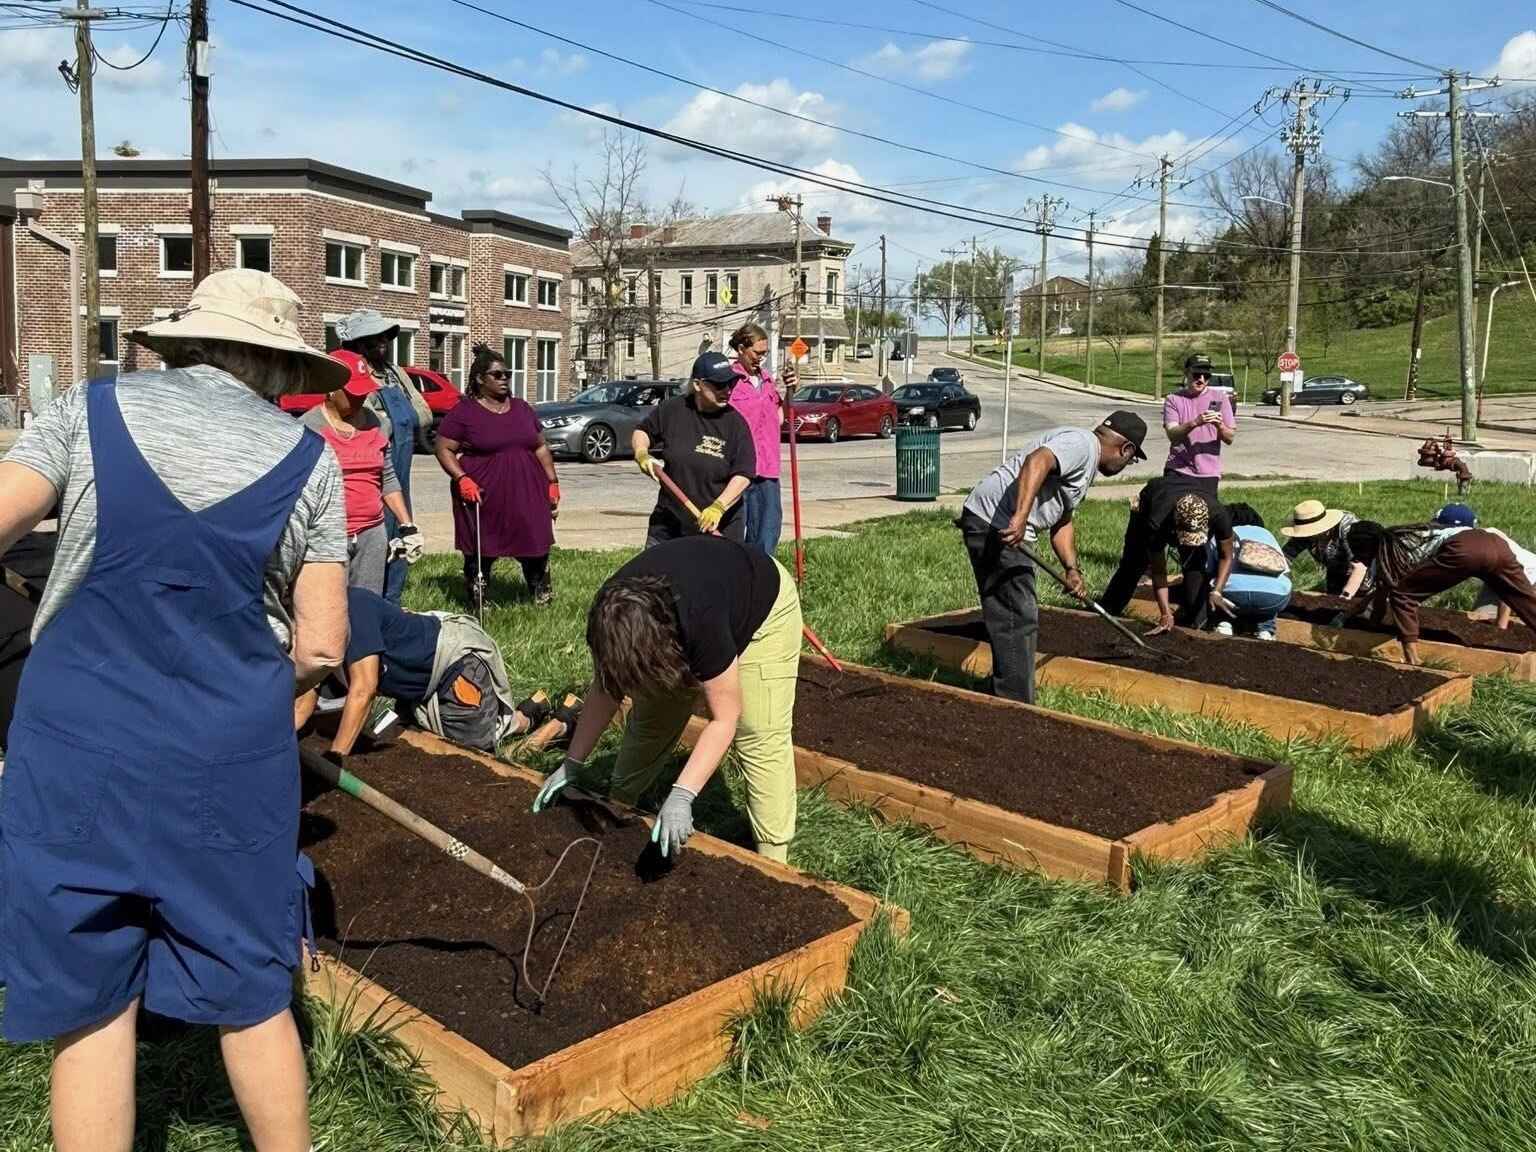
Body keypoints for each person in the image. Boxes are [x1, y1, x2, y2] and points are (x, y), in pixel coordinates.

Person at [0, 268, 349, 1152]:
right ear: (278, 367)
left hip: (76, 750)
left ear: (184, 343)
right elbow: (321, 647)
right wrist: (278, 706)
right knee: (251, 991)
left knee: (90, 1007)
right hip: (225, 761)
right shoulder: (310, 463)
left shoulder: (85, 414)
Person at [530, 534, 802, 862]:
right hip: (691, 600)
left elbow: (725, 718)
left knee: (759, 730)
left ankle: (775, 855)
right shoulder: (609, 617)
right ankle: (620, 803)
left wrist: (682, 795)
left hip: (762, 605)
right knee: (654, 711)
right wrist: (572, 764)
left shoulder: (700, 620)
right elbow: (606, 688)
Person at [957, 412, 1148, 703]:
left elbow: (1062, 521)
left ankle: (1005, 689)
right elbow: (1038, 460)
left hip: (995, 521)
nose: (1125, 466)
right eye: (1130, 461)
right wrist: (1019, 517)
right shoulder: (1082, 445)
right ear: (1126, 449)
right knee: (1017, 613)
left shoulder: (1085, 462)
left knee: (1011, 610)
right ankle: (1014, 702)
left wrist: (1072, 569)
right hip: (997, 524)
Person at [293, 586, 557, 755]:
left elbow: (364, 691)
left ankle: (552, 723)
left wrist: (337, 758)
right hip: (416, 687)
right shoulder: (311, 625)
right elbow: (305, 697)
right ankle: (531, 709)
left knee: (472, 755)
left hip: (457, 666)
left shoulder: (352, 609)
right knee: (408, 743)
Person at [435, 345, 560, 606]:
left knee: (535, 542)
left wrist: (552, 482)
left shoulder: (522, 408)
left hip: (528, 490)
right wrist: (462, 478)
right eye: (497, 374)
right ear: (480, 379)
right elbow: (444, 449)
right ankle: (480, 600)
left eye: (507, 374)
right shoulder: (465, 412)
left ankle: (541, 594)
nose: (504, 379)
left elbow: (540, 447)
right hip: (482, 492)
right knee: (481, 548)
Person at [1336, 520, 1536, 663]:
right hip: (1495, 544)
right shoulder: (1398, 539)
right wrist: (1358, 614)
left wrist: (1371, 624)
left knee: (1402, 596)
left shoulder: (1389, 553)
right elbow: (1380, 593)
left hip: (1464, 550)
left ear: (1365, 548)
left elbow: (1389, 593)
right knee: (1524, 600)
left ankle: (1412, 659)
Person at [302, 349, 420, 593]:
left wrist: (407, 526)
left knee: (367, 606)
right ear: (331, 389)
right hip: (327, 535)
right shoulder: (308, 428)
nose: (360, 398)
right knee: (328, 608)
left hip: (372, 532)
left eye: (364, 391)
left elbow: (386, 478)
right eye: (353, 393)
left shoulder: (378, 424)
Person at [336, 308, 432, 605]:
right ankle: (366, 609)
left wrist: (390, 419)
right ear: (356, 344)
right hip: (366, 481)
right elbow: (368, 427)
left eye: (384, 337)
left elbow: (424, 415)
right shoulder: (350, 376)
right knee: (371, 550)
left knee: (399, 544)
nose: (382, 343)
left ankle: (391, 607)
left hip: (397, 478)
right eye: (373, 338)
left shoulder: (395, 374)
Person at [632, 351, 756, 546]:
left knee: (713, 577)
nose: (727, 390)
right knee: (656, 576)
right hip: (669, 524)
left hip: (720, 527)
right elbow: (643, 431)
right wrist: (641, 453)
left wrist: (718, 507)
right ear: (698, 385)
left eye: (731, 383)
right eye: (719, 385)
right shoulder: (672, 410)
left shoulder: (736, 424)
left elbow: (744, 474)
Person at [1097, 478, 1236, 633]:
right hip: (1147, 505)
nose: (1186, 545)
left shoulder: (1219, 515)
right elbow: (1158, 571)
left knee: (1195, 564)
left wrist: (1217, 591)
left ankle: (1199, 624)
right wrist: (1165, 613)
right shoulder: (1156, 520)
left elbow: (1227, 556)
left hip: (1180, 499)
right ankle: (1107, 613)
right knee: (1135, 562)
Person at [727, 322, 796, 556]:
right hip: (737, 471)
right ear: (740, 349)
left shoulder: (767, 381)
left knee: (766, 536)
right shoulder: (728, 382)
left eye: (764, 354)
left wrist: (790, 393)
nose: (761, 359)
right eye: (757, 353)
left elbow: (779, 418)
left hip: (767, 469)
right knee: (732, 537)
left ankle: (761, 583)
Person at [1433, 503, 1536, 630]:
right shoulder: (1466, 543)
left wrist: (1500, 630)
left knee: (1524, 626)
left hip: (1527, 578)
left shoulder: (1490, 543)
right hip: (1498, 583)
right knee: (1480, 619)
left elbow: (1511, 587)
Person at [1209, 503, 1291, 640]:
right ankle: (1266, 629)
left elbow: (1209, 568)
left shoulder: (1223, 534)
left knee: (1213, 580)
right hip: (1273, 598)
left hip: (1232, 596)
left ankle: (1224, 622)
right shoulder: (1267, 535)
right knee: (1276, 585)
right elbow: (1285, 570)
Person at [1162, 352, 1235, 496]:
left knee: (1205, 516)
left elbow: (1230, 438)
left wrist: (1219, 425)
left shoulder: (1220, 398)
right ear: (1186, 373)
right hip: (1177, 470)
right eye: (1196, 374)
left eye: (1206, 376)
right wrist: (1195, 422)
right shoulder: (1173, 399)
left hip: (1208, 474)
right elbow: (1172, 435)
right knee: (1173, 515)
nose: (1201, 379)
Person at [1279, 499, 1368, 598]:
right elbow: (1283, 559)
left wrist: (1345, 597)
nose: (1307, 535)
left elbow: (1360, 566)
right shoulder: (1306, 534)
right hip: (1335, 570)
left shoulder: (1348, 529)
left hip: (1366, 572)